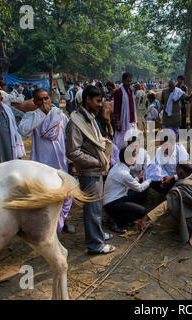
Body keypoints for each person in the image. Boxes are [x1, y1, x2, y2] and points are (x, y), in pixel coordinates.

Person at [66, 85, 116, 255]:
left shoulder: (90, 118)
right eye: (98, 101)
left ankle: (98, 234)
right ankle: (95, 245)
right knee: (92, 209)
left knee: (96, 207)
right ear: (87, 100)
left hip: (97, 169)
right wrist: (96, 161)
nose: (101, 104)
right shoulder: (75, 122)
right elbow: (73, 152)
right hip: (89, 171)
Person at [18, 88, 74, 233]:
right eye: (40, 100)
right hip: (41, 164)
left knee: (65, 194)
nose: (44, 102)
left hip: (61, 162)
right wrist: (41, 114)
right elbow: (23, 131)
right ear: (34, 102)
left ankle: (64, 220)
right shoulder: (31, 116)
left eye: (46, 98)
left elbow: (68, 138)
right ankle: (48, 226)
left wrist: (71, 161)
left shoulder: (60, 115)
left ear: (50, 99)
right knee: (45, 196)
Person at [138, 163, 192, 246]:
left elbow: (165, 205)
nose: (175, 173)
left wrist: (145, 218)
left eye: (176, 172)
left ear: (181, 174)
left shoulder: (181, 189)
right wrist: (172, 177)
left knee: (174, 205)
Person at [103, 146, 152, 234]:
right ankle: (117, 220)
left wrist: (137, 178)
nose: (135, 159)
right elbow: (139, 188)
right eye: (134, 156)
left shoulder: (119, 166)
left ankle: (119, 215)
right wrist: (151, 179)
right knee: (142, 211)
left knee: (142, 195)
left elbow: (127, 185)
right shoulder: (123, 173)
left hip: (117, 197)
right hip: (112, 203)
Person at [0, 89, 25, 164]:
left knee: (9, 160)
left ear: (1, 99)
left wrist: (17, 126)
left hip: (7, 140)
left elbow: (22, 115)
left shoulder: (9, 109)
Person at [113, 73, 138, 150]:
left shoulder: (130, 91)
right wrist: (117, 121)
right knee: (122, 141)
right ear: (123, 81)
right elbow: (116, 107)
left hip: (131, 119)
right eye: (127, 81)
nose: (129, 83)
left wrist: (135, 119)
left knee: (131, 140)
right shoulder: (118, 92)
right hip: (122, 120)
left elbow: (133, 107)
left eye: (130, 81)